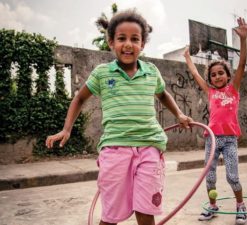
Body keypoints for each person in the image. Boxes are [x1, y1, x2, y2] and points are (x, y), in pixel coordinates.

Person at [46, 9, 192, 225]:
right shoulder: (102, 73)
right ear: (111, 42)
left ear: (142, 44)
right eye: (121, 38)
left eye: (135, 39)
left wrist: (179, 113)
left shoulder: (152, 72)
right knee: (110, 217)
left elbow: (163, 94)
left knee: (145, 210)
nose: (128, 44)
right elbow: (79, 99)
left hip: (149, 147)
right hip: (115, 149)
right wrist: (66, 129)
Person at [184, 17, 247, 225]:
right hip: (212, 139)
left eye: (221, 73)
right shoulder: (210, 91)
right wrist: (187, 57)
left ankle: (240, 206)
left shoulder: (234, 89)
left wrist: (244, 39)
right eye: (213, 75)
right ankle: (212, 207)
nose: (217, 76)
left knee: (232, 176)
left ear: (228, 76)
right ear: (210, 79)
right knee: (209, 177)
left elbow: (241, 64)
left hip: (229, 140)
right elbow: (195, 73)